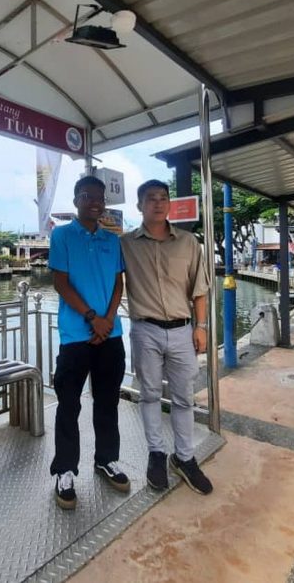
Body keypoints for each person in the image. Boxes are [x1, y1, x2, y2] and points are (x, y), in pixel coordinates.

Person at [121, 179, 213, 495]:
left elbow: (199, 289)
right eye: (150, 198)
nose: (158, 203)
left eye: (163, 198)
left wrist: (201, 327)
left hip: (181, 330)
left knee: (184, 396)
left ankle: (184, 458)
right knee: (148, 394)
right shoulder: (126, 243)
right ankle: (156, 454)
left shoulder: (189, 243)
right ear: (139, 206)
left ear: (169, 204)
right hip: (144, 329)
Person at [48, 175, 129, 510]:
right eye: (87, 196)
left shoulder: (113, 240)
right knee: (69, 404)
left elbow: (118, 283)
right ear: (76, 199)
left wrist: (107, 320)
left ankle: (106, 459)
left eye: (100, 198)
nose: (95, 202)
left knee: (108, 402)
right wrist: (92, 317)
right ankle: (65, 470)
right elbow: (61, 283)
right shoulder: (62, 235)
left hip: (111, 335)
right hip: (75, 336)